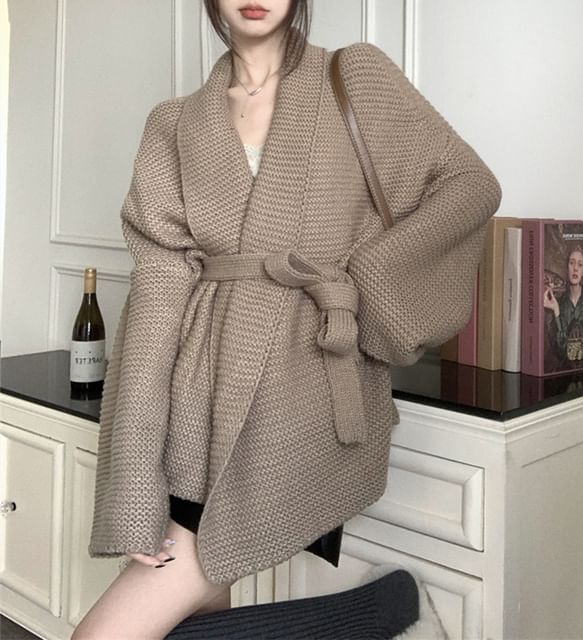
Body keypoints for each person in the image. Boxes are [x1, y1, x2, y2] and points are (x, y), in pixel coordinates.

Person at [73, 0, 502, 637]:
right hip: (197, 408)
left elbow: (470, 185)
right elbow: (156, 300)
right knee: (192, 618)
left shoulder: (355, 77)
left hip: (307, 396)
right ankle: (373, 613)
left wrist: (367, 282)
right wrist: (132, 483)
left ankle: (367, 612)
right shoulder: (174, 123)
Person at [544, 244, 583, 364]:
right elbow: (560, 349)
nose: (575, 268)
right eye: (571, 263)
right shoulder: (559, 302)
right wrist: (556, 310)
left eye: (580, 265)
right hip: (564, 370)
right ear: (567, 268)